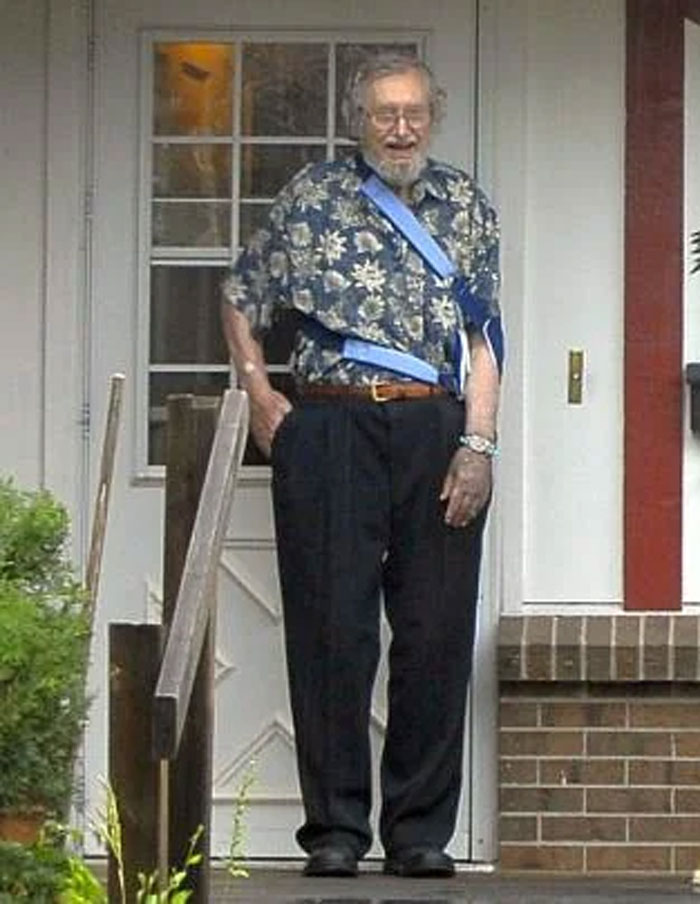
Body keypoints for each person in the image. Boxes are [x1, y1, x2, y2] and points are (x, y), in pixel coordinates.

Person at [221, 52, 502, 879]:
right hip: (332, 428)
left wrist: (478, 445)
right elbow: (242, 296)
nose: (402, 128)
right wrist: (260, 393)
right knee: (331, 633)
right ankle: (336, 830)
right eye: (386, 113)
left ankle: (418, 832)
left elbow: (485, 340)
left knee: (434, 633)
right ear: (359, 120)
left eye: (415, 111)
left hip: (433, 431)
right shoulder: (311, 198)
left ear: (434, 114)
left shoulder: (465, 206)